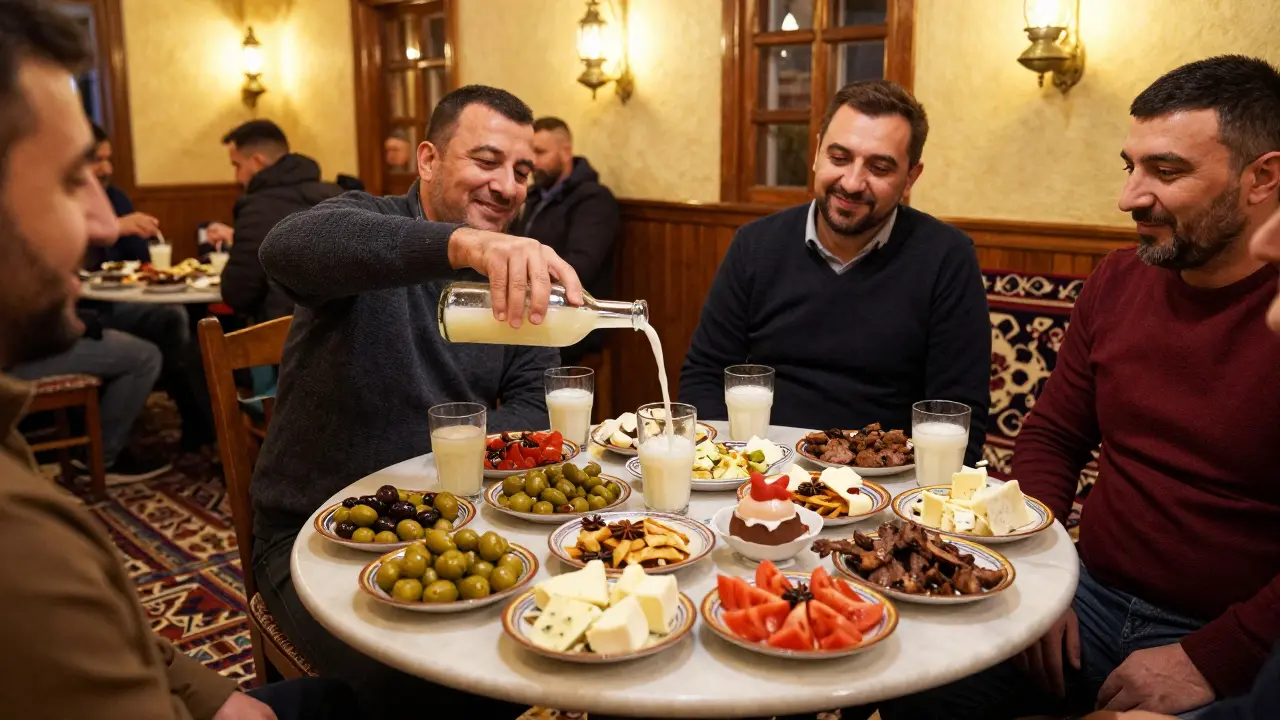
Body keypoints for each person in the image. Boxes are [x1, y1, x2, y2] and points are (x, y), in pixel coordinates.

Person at [877, 55, 1280, 720]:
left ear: (1261, 177)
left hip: (1237, 639)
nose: (1129, 197)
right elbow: (1055, 436)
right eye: (1131, 166)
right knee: (913, 676)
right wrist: (1043, 582)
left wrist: (1215, 658)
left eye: (1167, 171)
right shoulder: (1118, 281)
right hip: (1084, 589)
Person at [0, 1, 357, 717]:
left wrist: (212, 693)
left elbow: (236, 289)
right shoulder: (23, 549)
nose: (105, 220)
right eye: (74, 179)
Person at [251, 84, 582, 717]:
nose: (508, 187)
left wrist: (451, 454)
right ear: (427, 161)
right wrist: (460, 245)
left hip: (464, 529)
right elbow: (284, 250)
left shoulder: (517, 275)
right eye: (485, 162)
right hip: (317, 539)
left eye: (520, 171)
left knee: (560, 639)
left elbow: (538, 410)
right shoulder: (371, 226)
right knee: (439, 691)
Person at [678, 80, 990, 463]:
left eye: (879, 167)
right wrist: (723, 466)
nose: (852, 182)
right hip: (764, 471)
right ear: (817, 152)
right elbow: (705, 374)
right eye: (839, 157)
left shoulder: (947, 258)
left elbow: (956, 415)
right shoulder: (755, 245)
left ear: (911, 177)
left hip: (884, 487)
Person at [509, 116, 620, 365]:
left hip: (574, 319)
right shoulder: (534, 196)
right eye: (530, 153)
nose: (533, 162)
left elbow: (581, 266)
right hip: (532, 309)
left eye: (540, 152)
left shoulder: (594, 200)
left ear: (566, 151)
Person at [213, 119, 342, 324]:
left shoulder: (258, 208)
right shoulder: (337, 195)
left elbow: (238, 292)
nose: (237, 177)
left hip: (283, 341)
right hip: (350, 337)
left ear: (257, 162)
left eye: (237, 165)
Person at [86, 122, 157, 265]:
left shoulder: (115, 197)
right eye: (97, 160)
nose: (107, 170)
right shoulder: (54, 202)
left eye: (108, 159)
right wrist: (115, 228)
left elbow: (142, 260)